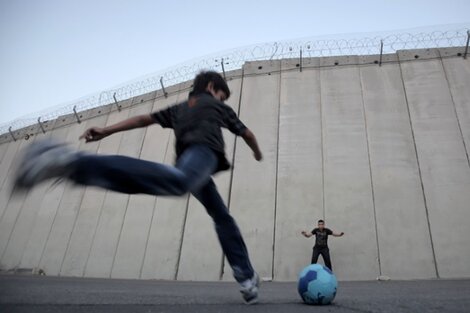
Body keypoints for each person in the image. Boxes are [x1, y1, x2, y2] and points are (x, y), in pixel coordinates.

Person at [13, 71, 263, 305]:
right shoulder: (216, 106)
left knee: (220, 214)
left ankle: (247, 276)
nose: (222, 99)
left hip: (192, 165)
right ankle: (71, 162)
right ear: (211, 87)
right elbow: (248, 134)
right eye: (222, 94)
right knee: (180, 184)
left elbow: (145, 119)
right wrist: (257, 153)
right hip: (202, 157)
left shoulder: (181, 108)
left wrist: (107, 130)